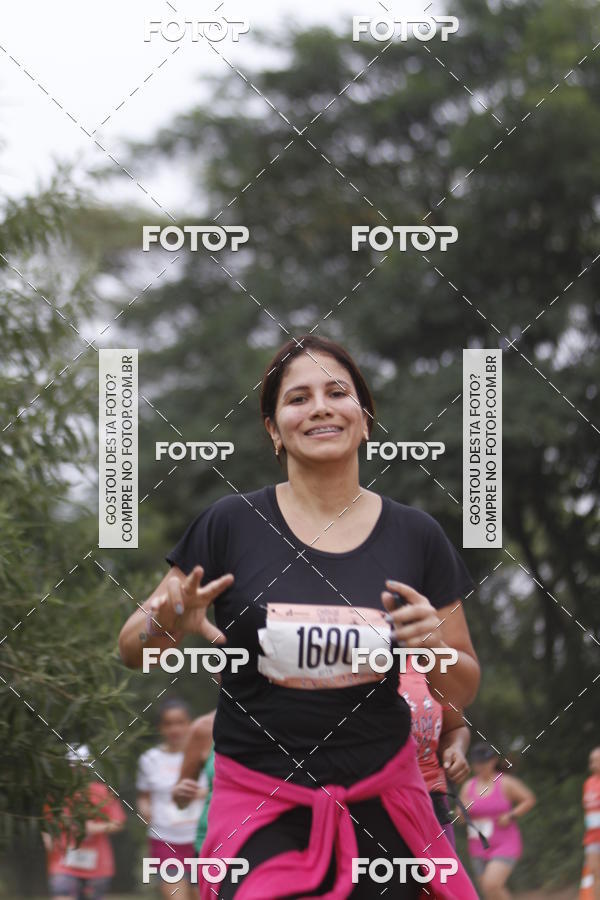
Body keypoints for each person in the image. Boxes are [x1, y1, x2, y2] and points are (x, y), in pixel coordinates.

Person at [119, 334, 481, 899]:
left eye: (337, 392)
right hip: (259, 803)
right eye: (297, 398)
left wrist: (430, 643)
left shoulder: (418, 537)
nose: (318, 407)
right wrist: (166, 619)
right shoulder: (229, 524)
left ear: (364, 418)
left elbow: (460, 688)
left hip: (381, 797)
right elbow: (133, 649)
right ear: (273, 428)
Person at [136, 698, 208, 900]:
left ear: (190, 724)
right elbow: (144, 796)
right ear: (161, 727)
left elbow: (221, 790)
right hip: (165, 839)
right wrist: (145, 811)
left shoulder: (205, 754)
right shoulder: (149, 759)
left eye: (180, 722)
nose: (175, 729)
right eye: (168, 723)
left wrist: (201, 793)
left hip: (200, 839)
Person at [399, 655, 470, 847]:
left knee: (442, 877)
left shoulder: (430, 664)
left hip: (431, 805)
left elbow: (455, 727)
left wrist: (456, 749)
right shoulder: (352, 664)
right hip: (373, 806)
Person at [43, 744, 126, 900]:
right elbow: (46, 823)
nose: (77, 771)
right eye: (73, 767)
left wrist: (94, 827)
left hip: (98, 865)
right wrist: (48, 840)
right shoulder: (58, 794)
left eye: (82, 767)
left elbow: (118, 823)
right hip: (63, 863)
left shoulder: (102, 791)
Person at [459, 742, 536, 899]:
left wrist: (511, 815)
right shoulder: (468, 786)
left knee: (491, 884)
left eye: (484, 762)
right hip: (478, 846)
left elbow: (529, 799)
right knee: (489, 892)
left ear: (493, 761)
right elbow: (460, 818)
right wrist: (461, 812)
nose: (480, 767)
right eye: (477, 763)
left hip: (505, 843)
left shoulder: (505, 782)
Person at [171, 710, 216, 856]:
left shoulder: (283, 720)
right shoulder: (204, 728)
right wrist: (180, 794)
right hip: (214, 844)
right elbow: (180, 801)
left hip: (274, 841)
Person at [581, 746, 600, 900]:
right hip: (592, 837)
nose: (592, 764)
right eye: (591, 761)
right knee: (594, 873)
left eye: (596, 761)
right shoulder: (588, 783)